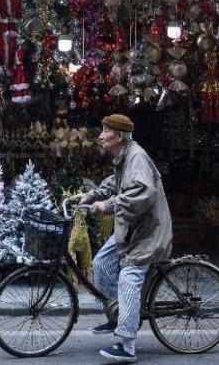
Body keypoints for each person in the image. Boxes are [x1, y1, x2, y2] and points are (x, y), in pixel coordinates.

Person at [77, 114, 172, 363]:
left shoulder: (136, 157)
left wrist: (108, 205)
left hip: (148, 231)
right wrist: (92, 195)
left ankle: (127, 344)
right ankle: (118, 314)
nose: (100, 136)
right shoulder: (123, 155)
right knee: (101, 263)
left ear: (118, 136)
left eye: (105, 131)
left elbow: (142, 192)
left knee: (128, 277)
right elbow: (116, 183)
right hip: (132, 227)